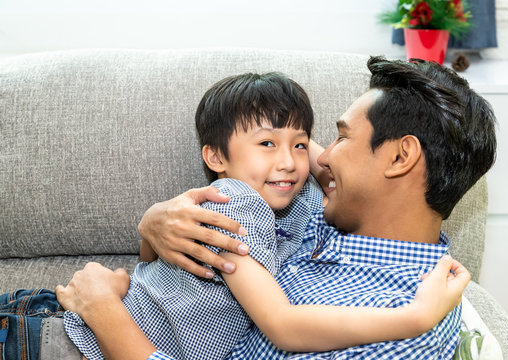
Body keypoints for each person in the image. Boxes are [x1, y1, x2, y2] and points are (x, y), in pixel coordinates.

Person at [0, 71, 464, 360]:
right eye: (268, 145)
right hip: (57, 338)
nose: (305, 161)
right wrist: (152, 225)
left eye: (305, 144)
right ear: (215, 157)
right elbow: (280, 322)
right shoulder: (240, 203)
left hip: (92, 324)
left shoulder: (306, 198)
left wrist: (121, 283)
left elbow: (318, 161)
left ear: (401, 157)